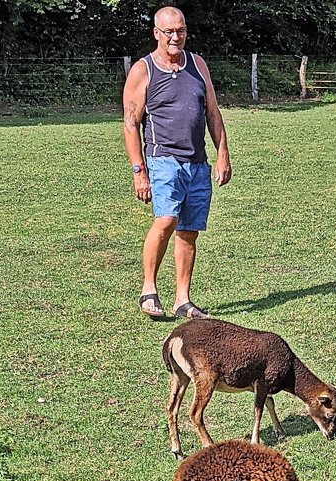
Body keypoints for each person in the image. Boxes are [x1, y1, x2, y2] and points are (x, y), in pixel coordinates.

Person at [122, 6, 231, 319]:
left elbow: (212, 111)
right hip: (163, 160)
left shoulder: (197, 64)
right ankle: (148, 290)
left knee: (189, 230)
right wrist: (138, 171)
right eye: (168, 31)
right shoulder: (144, 70)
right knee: (166, 220)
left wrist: (222, 153)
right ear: (156, 33)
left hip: (197, 161)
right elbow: (131, 123)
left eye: (180, 30)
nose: (175, 36)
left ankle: (183, 299)